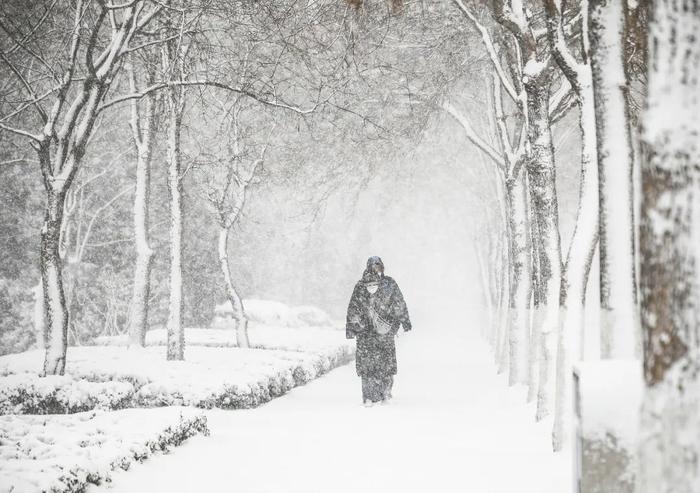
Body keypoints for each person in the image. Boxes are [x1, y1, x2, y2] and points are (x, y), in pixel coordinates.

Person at [345, 256, 412, 406]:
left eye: (378, 266)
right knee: (381, 365)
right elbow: (398, 304)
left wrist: (353, 328)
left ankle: (375, 395)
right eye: (375, 266)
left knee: (372, 365)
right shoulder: (388, 284)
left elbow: (353, 308)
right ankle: (380, 394)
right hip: (382, 333)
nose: (376, 269)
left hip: (368, 334)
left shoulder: (362, 285)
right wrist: (404, 321)